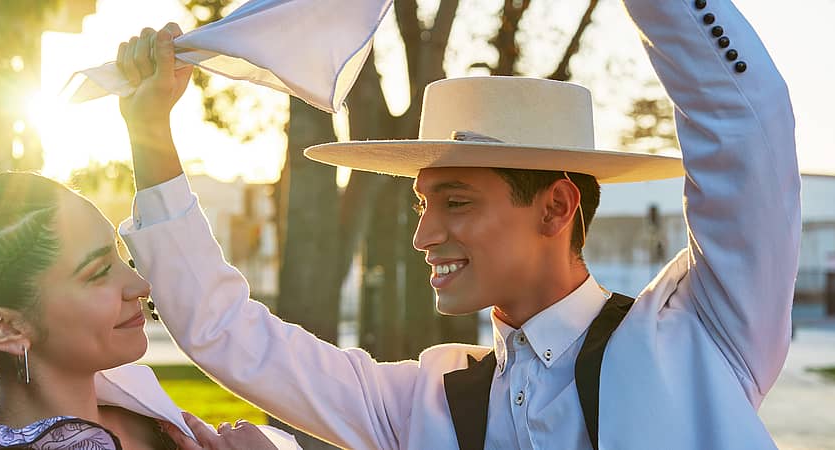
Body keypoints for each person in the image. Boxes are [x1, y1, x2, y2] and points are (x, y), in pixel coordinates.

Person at [120, 0, 800, 448]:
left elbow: (748, 117)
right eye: (422, 206)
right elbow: (227, 334)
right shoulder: (425, 403)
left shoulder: (699, 333)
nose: (424, 236)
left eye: (456, 202)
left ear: (557, 207)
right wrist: (150, 132)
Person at [0, 24, 286, 450]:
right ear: (7, 327)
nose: (140, 286)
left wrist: (148, 125)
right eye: (96, 273)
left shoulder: (143, 413)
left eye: (119, 258)